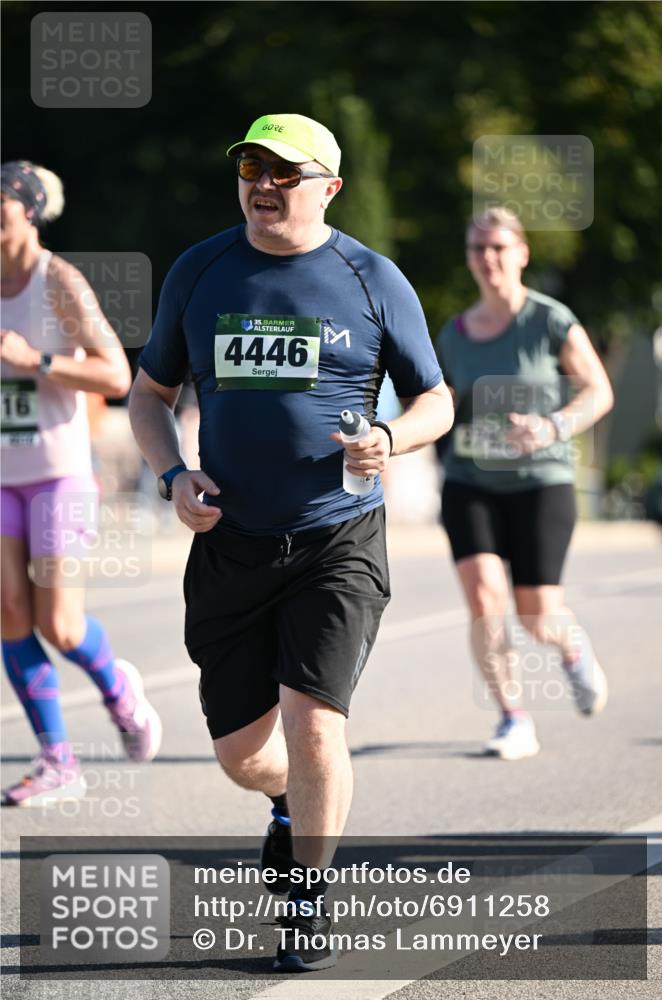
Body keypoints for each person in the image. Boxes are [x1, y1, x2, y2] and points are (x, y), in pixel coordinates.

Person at [129, 113, 453, 971]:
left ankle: (307, 901)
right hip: (230, 544)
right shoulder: (200, 270)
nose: (262, 183)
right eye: (249, 166)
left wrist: (391, 438)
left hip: (334, 537)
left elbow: (436, 401)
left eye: (283, 171)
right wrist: (173, 476)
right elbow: (148, 393)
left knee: (315, 728)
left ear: (328, 188)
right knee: (245, 758)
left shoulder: (371, 277)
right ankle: (285, 805)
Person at [1, 160, 162, 807]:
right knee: (10, 615)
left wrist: (34, 360)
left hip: (58, 474)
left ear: (29, 211)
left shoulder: (57, 281)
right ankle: (57, 761)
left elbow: (116, 374)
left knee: (61, 625)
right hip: (1, 477)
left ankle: (119, 691)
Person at [435, 206, 614, 761]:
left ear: (522, 253)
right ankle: (514, 717)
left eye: (498, 247)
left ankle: (571, 645)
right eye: (477, 249)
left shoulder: (551, 320)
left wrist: (552, 425)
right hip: (471, 482)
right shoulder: (455, 334)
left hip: (542, 482)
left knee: (537, 616)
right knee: (485, 598)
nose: (488, 258)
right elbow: (440, 406)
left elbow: (598, 391)